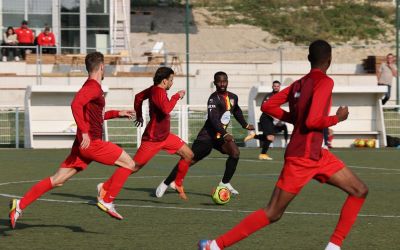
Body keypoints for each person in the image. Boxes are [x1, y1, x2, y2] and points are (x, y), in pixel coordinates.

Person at [198, 40, 368, 250]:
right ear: (330, 60)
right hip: (302, 157)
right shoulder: (325, 82)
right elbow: (313, 121)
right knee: (273, 212)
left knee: (359, 190)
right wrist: (337, 118)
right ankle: (214, 246)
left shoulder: (299, 83)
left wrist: (296, 119)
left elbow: (268, 105)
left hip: (317, 154)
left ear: (308, 59)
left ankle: (333, 247)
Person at [9, 52, 137, 229]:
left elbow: (95, 116)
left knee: (58, 179)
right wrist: (84, 132)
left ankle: (19, 205)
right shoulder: (93, 87)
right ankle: (106, 197)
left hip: (82, 145)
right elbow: (75, 104)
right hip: (92, 143)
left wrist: (117, 114)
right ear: (102, 67)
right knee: (130, 164)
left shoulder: (92, 87)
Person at [97, 67, 193, 200]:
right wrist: (177, 96)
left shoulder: (154, 89)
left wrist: (140, 116)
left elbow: (138, 97)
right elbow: (166, 109)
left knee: (188, 155)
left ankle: (177, 183)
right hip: (152, 139)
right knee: (133, 166)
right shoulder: (158, 92)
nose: (172, 83)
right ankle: (105, 187)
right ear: (164, 81)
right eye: (171, 80)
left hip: (165, 136)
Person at [155, 71, 255, 197]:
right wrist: (225, 133)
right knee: (188, 159)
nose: (222, 84)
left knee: (235, 153)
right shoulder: (213, 99)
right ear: (215, 83)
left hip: (220, 137)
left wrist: (245, 125)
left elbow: (237, 111)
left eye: (225, 81)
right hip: (207, 136)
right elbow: (213, 120)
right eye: (219, 81)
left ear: (228, 82)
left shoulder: (233, 97)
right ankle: (167, 182)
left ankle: (224, 183)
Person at [244, 80, 288, 160]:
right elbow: (264, 107)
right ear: (272, 87)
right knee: (270, 137)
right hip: (265, 118)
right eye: (275, 86)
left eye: (277, 86)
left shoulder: (280, 95)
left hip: (272, 119)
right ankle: (263, 154)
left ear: (279, 87)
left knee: (275, 133)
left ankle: (254, 136)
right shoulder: (269, 96)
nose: (276, 87)